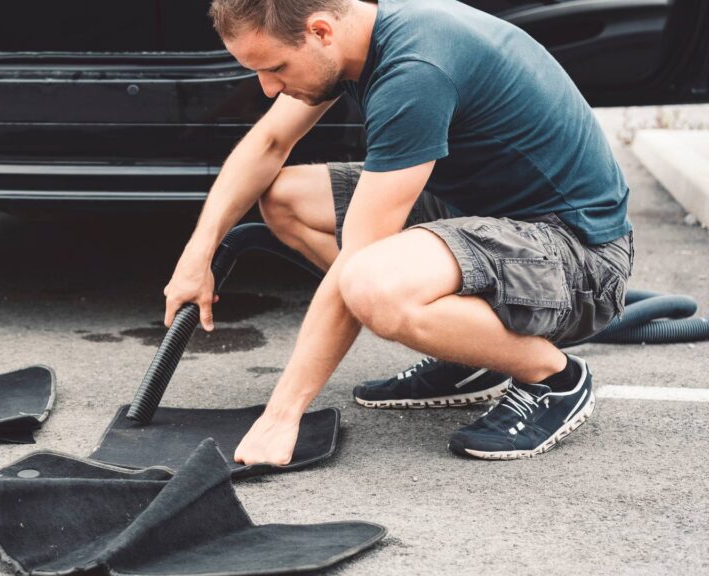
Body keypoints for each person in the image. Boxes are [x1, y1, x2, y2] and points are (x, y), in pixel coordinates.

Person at [162, 0, 632, 463]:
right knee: (286, 199)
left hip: (578, 259)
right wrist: (196, 253)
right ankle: (469, 352)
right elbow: (269, 141)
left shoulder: (415, 71)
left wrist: (282, 415)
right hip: (485, 218)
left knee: (373, 284)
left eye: (277, 68)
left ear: (321, 31)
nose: (268, 88)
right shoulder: (358, 33)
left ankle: (554, 379)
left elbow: (359, 258)